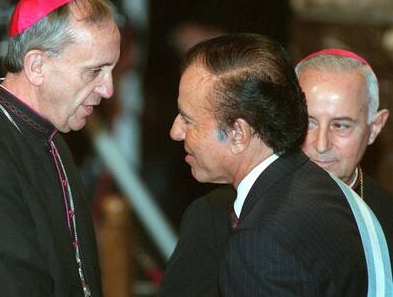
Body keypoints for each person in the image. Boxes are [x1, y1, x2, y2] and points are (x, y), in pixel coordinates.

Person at [166, 33, 390, 295]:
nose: (175, 131)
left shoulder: (261, 240)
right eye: (311, 122)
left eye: (189, 120)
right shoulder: (330, 195)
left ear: (239, 134)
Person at [0, 0, 120, 296]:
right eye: (95, 71)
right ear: (37, 66)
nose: (108, 90)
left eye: (111, 71)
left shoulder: (50, 137)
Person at [296, 49, 393, 261]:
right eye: (308, 123)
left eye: (340, 125)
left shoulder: (387, 219)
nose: (321, 145)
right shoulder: (225, 211)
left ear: (374, 128)